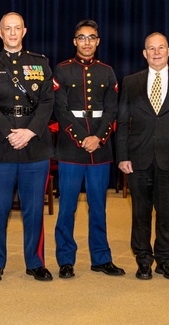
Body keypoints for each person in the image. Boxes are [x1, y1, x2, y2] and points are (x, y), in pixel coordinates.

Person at [0, 12, 55, 282]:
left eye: (16, 28)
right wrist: (9, 133)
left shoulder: (40, 63)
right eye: (7, 29)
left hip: (34, 145)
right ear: (0, 33)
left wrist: (30, 131)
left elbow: (47, 102)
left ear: (24, 31)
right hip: (1, 145)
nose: (12, 33)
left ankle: (36, 262)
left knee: (34, 209)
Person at [117, 32, 169, 281]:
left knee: (166, 214)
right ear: (144, 53)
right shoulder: (131, 82)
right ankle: (143, 260)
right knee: (140, 214)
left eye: (161, 48)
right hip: (137, 159)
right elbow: (122, 123)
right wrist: (122, 156)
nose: (156, 52)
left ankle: (165, 261)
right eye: (151, 48)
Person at [52, 20, 123, 279]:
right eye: (81, 38)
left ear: (98, 41)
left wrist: (99, 138)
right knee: (67, 207)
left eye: (91, 38)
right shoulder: (62, 70)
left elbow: (113, 110)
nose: (86, 42)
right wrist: (83, 137)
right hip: (71, 149)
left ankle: (101, 258)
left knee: (98, 207)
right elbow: (59, 110)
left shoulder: (107, 72)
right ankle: (65, 259)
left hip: (100, 151)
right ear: (74, 41)